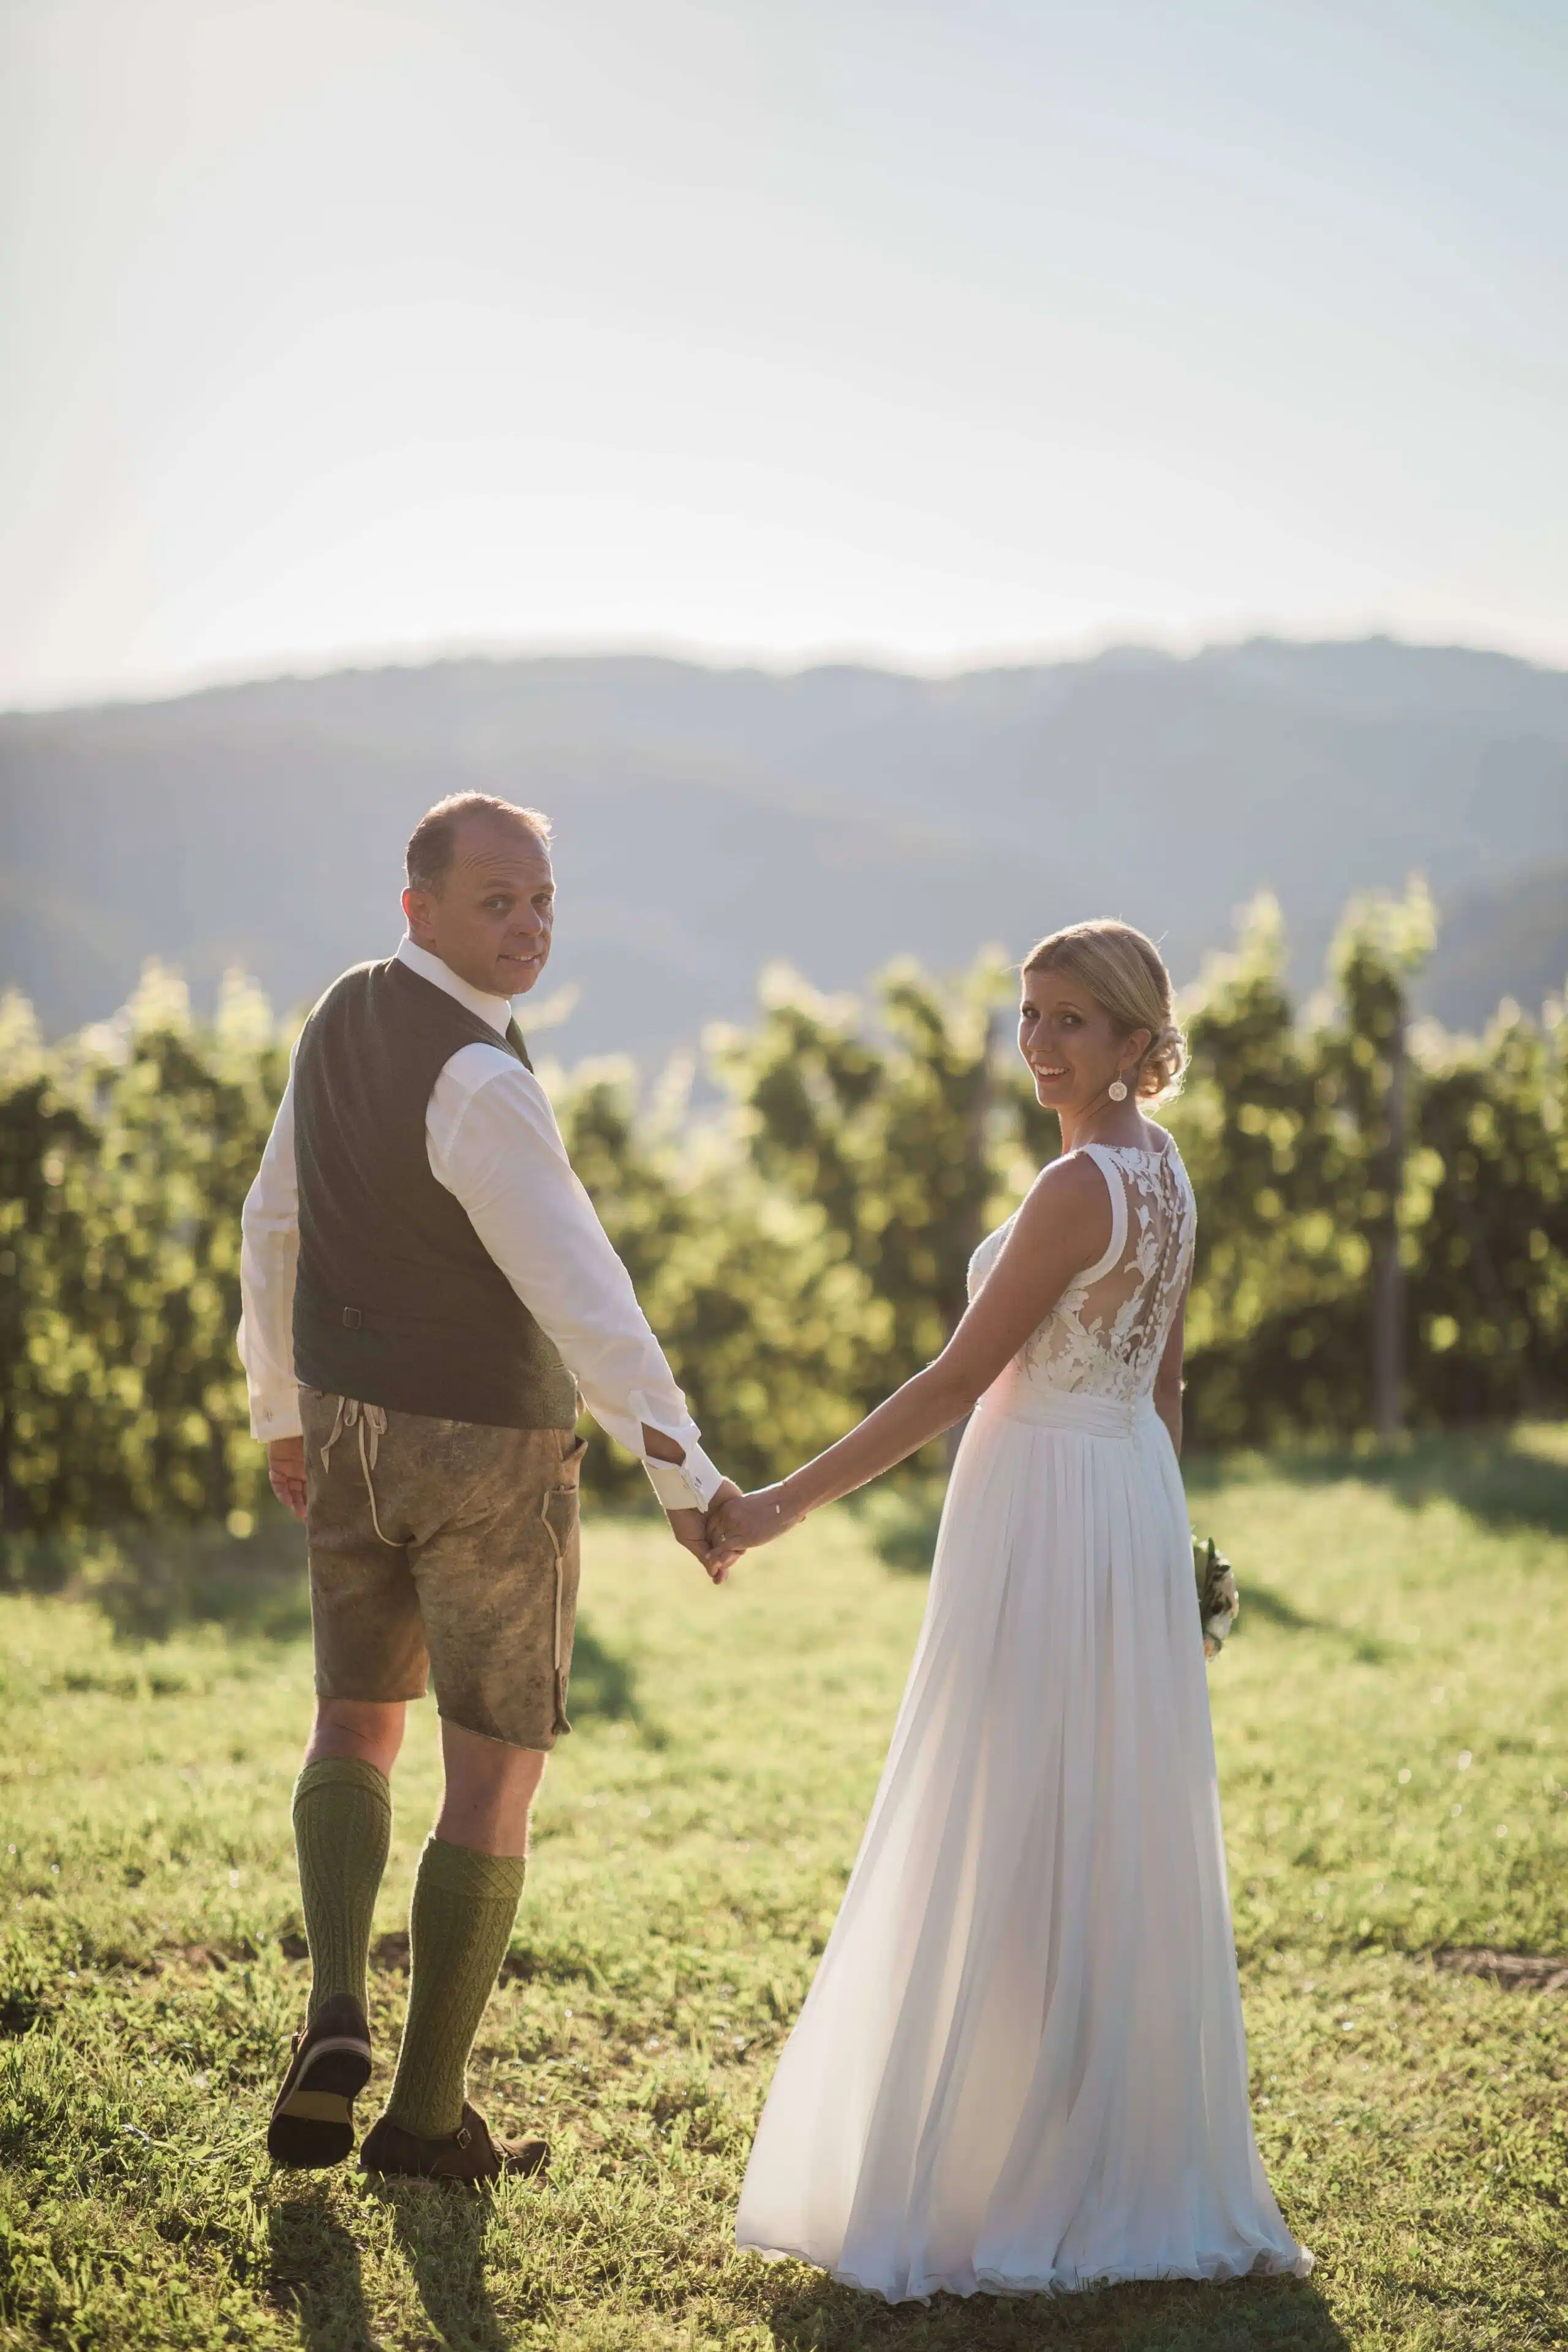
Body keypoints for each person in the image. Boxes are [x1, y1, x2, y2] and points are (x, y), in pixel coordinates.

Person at [712, 920, 1310, 2300]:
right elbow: (1163, 1385)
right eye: (1029, 1014)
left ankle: (1001, 2167)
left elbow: (950, 1384)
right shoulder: (1167, 1175)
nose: (1037, 1042)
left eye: (1070, 1021)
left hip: (1045, 1504)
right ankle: (1079, 2145)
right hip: (1122, 1495)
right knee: (1084, 1817)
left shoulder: (1076, 1185)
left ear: (1136, 1042)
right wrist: (1166, 1548)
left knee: (1003, 1813)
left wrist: (775, 1508)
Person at [239, 792, 739, 2183]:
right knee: (495, 1768)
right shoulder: (482, 1078)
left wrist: (280, 1409)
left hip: (344, 1426)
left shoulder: (336, 1016)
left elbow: (272, 1221)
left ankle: (336, 2003)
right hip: (486, 1455)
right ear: (419, 907)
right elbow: (584, 1291)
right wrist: (682, 1470)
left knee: (353, 1718)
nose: (528, 928)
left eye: (542, 902)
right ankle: (423, 2121)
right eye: (496, 902)